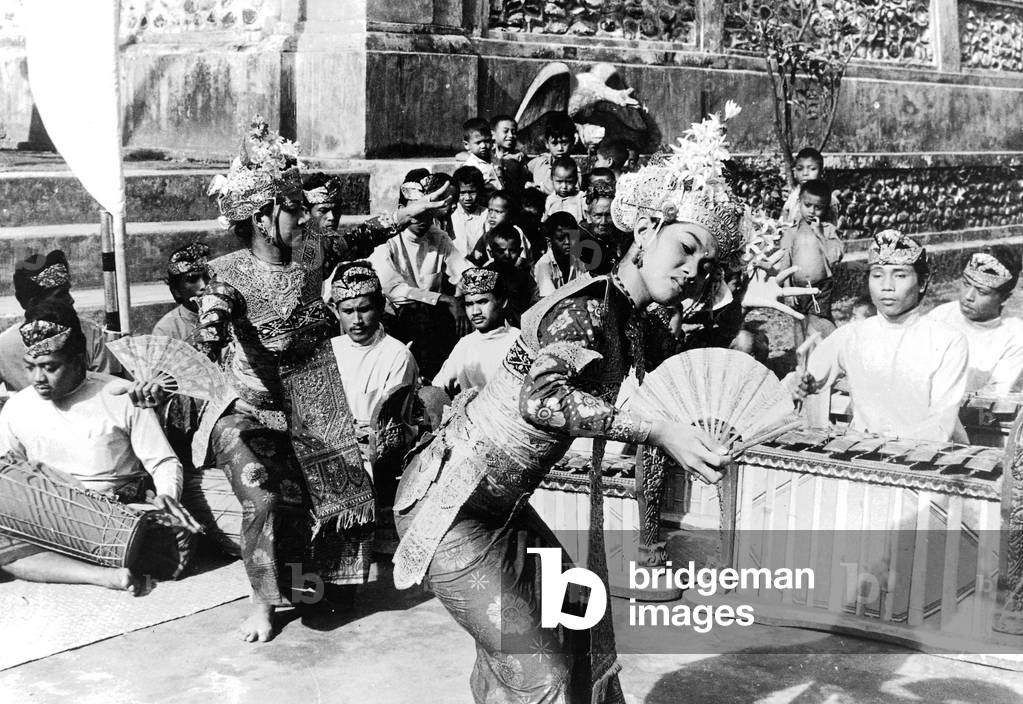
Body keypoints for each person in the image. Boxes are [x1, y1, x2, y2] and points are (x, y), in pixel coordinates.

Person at [393, 104, 815, 704]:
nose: (693, 271)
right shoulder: (587, 310)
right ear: (644, 232)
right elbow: (543, 401)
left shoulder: (632, 319)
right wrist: (657, 431)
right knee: (542, 676)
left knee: (579, 617)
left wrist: (748, 304)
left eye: (707, 266)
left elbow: (698, 356)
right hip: (450, 509)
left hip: (503, 509)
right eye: (685, 248)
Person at [190, 115, 453, 642]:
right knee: (266, 498)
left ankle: (320, 584)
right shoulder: (228, 270)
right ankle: (262, 603)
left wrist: (409, 214)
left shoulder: (310, 251)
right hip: (250, 411)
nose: (306, 216)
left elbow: (358, 235)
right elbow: (217, 301)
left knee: (343, 520)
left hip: (314, 397)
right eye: (294, 208)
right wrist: (213, 322)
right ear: (263, 218)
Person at [0, 301, 199, 593]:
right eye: (30, 367)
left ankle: (97, 564)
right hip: (48, 514)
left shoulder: (119, 394)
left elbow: (163, 461)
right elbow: (9, 473)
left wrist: (167, 496)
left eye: (50, 367)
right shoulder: (18, 406)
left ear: (78, 360)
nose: (38, 378)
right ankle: (103, 576)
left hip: (115, 517)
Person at [793, 230, 969, 442]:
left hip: (924, 453)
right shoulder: (851, 335)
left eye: (900, 275)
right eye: (877, 275)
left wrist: (884, 445)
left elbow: (941, 423)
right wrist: (800, 383)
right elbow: (809, 378)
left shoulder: (948, 341)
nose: (887, 286)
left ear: (922, 282)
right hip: (864, 451)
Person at [370, 171, 471, 378]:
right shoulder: (386, 240)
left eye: (427, 210)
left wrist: (475, 293)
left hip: (431, 316)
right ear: (402, 209)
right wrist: (443, 299)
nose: (423, 218)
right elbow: (394, 291)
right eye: (417, 210)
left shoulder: (438, 237)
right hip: (394, 317)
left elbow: (464, 271)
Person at [0, 250, 122, 391]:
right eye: (61, 294)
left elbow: (109, 390)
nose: (71, 300)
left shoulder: (92, 334)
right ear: (34, 303)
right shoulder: (4, 346)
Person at [329, 262, 419, 426]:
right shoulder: (330, 350)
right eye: (348, 311)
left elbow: (389, 426)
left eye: (364, 309)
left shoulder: (398, 356)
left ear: (381, 306)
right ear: (336, 311)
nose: (357, 320)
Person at [927, 247, 1023, 395]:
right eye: (966, 284)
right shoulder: (940, 316)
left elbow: (993, 396)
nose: (968, 296)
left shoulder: (1015, 336)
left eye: (981, 291)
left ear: (1004, 298)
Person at [433, 268, 520, 396]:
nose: (475, 312)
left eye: (482, 302)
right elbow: (439, 387)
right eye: (469, 304)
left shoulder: (518, 341)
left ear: (503, 302)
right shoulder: (465, 345)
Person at [775, 179, 844, 335]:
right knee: (799, 322)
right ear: (799, 203)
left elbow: (835, 257)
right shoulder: (791, 232)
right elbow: (785, 261)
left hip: (821, 286)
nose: (812, 211)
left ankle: (839, 343)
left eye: (818, 207)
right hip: (797, 286)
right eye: (807, 205)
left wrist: (820, 234)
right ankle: (802, 352)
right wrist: (788, 289)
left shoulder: (828, 230)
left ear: (826, 208)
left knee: (818, 320)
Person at [475, 224, 539, 327]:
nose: (507, 255)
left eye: (512, 250)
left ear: (520, 251)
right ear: (491, 253)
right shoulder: (483, 277)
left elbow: (535, 303)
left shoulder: (524, 276)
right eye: (501, 251)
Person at [151, 242, 210, 341]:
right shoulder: (166, 330)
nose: (204, 286)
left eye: (208, 277)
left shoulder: (231, 317)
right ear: (177, 291)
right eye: (192, 280)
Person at [579, 181, 631, 276]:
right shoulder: (579, 238)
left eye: (608, 215)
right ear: (588, 215)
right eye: (597, 216)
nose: (603, 222)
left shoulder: (625, 236)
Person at [534, 212, 590, 296]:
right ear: (549, 242)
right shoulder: (544, 265)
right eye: (561, 239)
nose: (567, 242)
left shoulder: (578, 260)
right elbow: (549, 299)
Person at [780, 147, 840, 225]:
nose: (805, 173)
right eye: (800, 169)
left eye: (812, 169)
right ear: (795, 171)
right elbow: (784, 219)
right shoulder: (793, 195)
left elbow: (831, 228)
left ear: (821, 172)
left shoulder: (829, 199)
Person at [527, 112, 575, 194]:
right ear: (547, 144)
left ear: (572, 142)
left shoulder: (573, 170)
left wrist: (539, 188)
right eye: (554, 143)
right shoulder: (540, 162)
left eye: (564, 143)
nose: (560, 148)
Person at [449, 165, 489, 257]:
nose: (467, 198)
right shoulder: (451, 214)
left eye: (472, 192)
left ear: (479, 190)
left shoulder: (486, 214)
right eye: (462, 193)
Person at [460, 117, 501, 193]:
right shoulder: (471, 167)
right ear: (466, 145)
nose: (483, 146)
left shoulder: (495, 159)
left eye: (487, 141)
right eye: (478, 142)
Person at [490, 114, 528, 196]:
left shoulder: (518, 157)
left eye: (513, 132)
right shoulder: (489, 155)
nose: (510, 135)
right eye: (505, 131)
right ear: (493, 134)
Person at [543, 155, 585, 223]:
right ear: (552, 179)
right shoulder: (550, 199)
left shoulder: (580, 197)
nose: (564, 186)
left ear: (576, 180)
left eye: (569, 182)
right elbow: (545, 220)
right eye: (559, 181)